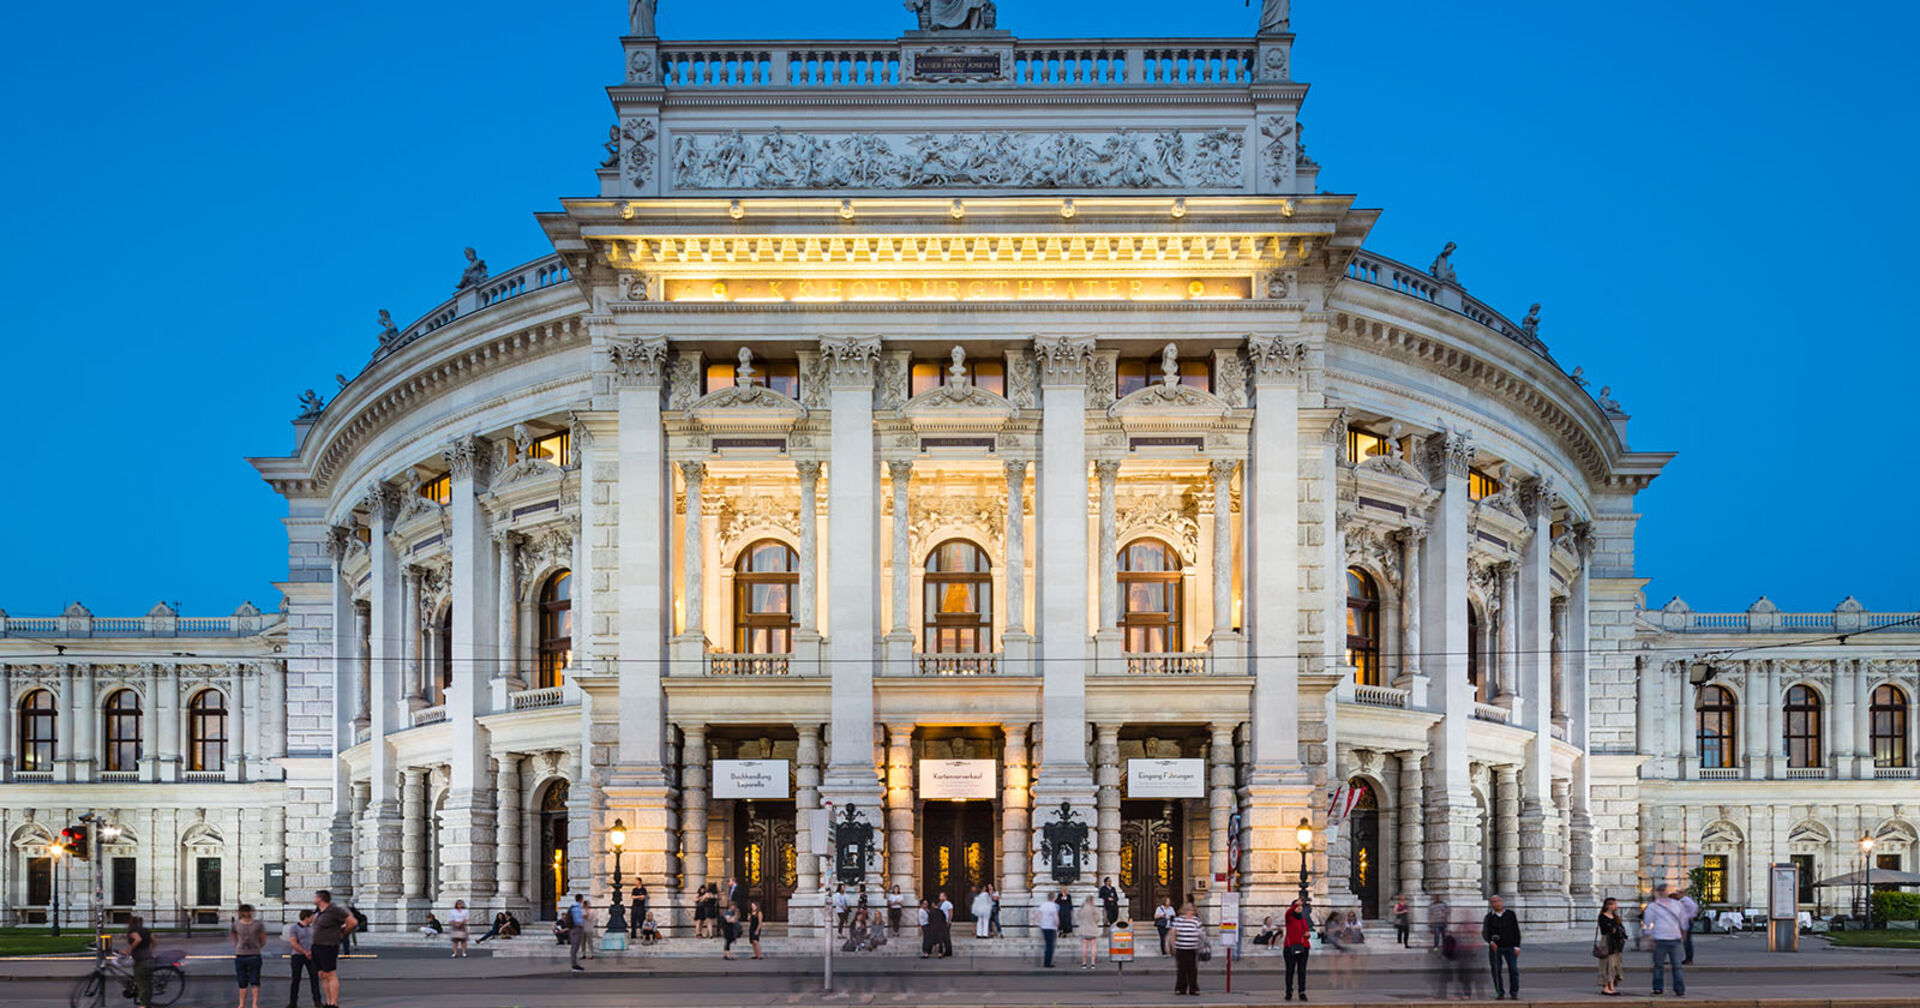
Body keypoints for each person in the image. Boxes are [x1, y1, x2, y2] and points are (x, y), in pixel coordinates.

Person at [310, 890, 356, 1008]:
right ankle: (328, 1001)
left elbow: (352, 922)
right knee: (322, 974)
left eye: (315, 897)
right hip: (317, 946)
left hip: (328, 946)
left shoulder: (334, 910)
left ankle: (334, 1003)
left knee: (330, 974)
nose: (314, 899)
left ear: (320, 899)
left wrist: (342, 933)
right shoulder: (319, 912)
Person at [1644, 883, 1690, 997]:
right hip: (1659, 938)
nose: (1663, 892)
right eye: (1661, 890)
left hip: (1675, 938)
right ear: (1658, 892)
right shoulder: (1653, 906)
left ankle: (1679, 989)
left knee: (1677, 966)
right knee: (1658, 966)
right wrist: (1649, 936)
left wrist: (1684, 933)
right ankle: (1658, 988)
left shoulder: (1677, 905)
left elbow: (1683, 920)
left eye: (1665, 890)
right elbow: (1647, 921)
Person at [1482, 895, 1522, 1001]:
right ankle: (1500, 993)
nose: (1496, 903)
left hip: (1510, 947)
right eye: (1494, 902)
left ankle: (1514, 993)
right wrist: (1490, 942)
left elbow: (1516, 931)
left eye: (1498, 901)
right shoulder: (1489, 917)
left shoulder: (1510, 914)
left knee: (1513, 970)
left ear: (1501, 902)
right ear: (1491, 904)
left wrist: (1517, 946)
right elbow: (1485, 932)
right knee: (1496, 971)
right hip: (1496, 948)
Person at [282, 908, 323, 1008]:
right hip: (298, 955)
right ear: (306, 917)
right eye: (311, 917)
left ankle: (317, 1001)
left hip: (311, 955)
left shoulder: (312, 928)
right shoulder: (294, 928)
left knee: (314, 978)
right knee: (296, 979)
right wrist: (304, 952)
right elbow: (293, 943)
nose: (313, 918)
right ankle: (293, 1002)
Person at [229, 903, 267, 1008]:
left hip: (254, 954)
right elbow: (233, 935)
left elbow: (263, 937)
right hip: (241, 955)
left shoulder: (258, 924)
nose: (247, 914)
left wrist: (259, 946)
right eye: (244, 912)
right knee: (242, 981)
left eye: (248, 911)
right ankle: (241, 1004)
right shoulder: (236, 924)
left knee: (255, 980)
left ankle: (254, 1003)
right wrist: (236, 945)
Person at [1169, 901, 1208, 996]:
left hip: (1193, 948)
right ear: (1184, 910)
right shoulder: (1178, 920)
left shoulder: (1196, 920)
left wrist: (1203, 943)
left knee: (1192, 969)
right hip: (1181, 948)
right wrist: (1173, 945)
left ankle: (1193, 988)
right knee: (1182, 969)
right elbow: (1173, 932)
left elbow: (1201, 933)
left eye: (1191, 910)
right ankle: (1180, 988)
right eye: (1188, 910)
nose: (1190, 912)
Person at [1595, 896, 1628, 996]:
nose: (1616, 906)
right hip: (1607, 942)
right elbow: (1606, 929)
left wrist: (1615, 929)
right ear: (1609, 905)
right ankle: (1605, 987)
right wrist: (1614, 929)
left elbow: (1620, 929)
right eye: (1615, 904)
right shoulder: (1602, 916)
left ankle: (1612, 986)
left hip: (1616, 943)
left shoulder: (1616, 917)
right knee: (1606, 965)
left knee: (1614, 965)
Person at [1281, 898, 1312, 1001]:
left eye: (1300, 906)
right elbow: (1288, 912)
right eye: (1297, 906)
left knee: (1302, 971)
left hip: (1303, 947)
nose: (1299, 908)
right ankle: (1289, 991)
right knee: (1290, 970)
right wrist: (1295, 904)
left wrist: (1307, 935)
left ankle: (1302, 992)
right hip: (1290, 948)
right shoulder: (1289, 917)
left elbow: (1306, 931)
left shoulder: (1303, 919)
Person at [127, 914, 156, 1008]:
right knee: (147, 982)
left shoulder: (133, 930)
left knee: (142, 982)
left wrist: (129, 950)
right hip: (149, 958)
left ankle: (144, 1005)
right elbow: (154, 942)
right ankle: (147, 1002)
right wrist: (150, 951)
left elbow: (138, 939)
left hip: (141, 960)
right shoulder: (146, 930)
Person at [1033, 890, 1061, 967]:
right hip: (1051, 927)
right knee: (1050, 945)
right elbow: (1056, 917)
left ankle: (1046, 961)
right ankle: (1047, 962)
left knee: (1047, 944)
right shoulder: (1054, 906)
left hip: (1044, 926)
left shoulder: (1043, 905)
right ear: (1054, 898)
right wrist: (1057, 925)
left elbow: (1037, 914)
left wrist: (1039, 923)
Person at [1076, 895, 1104, 968]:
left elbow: (1078, 915)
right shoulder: (1094, 908)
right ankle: (1092, 963)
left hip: (1084, 929)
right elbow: (1098, 918)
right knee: (1093, 946)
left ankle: (1084, 963)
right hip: (1092, 929)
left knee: (1084, 947)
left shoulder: (1083, 908)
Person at [1675, 884, 1698, 964]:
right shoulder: (1683, 900)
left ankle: (1689, 958)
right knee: (1686, 940)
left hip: (1686, 922)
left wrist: (1689, 916)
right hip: (1684, 922)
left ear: (1682, 893)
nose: (1677, 895)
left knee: (1687, 941)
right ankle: (1687, 958)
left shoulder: (1685, 900)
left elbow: (1694, 908)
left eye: (1678, 893)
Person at [567, 895, 591, 972]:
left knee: (574, 947)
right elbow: (578, 920)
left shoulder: (573, 907)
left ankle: (574, 964)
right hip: (577, 928)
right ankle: (574, 965)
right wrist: (581, 925)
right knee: (575, 947)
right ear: (581, 899)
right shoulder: (577, 908)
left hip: (573, 928)